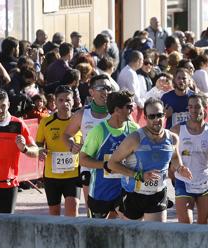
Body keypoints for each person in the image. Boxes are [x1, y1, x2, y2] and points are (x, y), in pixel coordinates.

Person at [108, 98, 192, 222]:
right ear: (146, 118)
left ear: (164, 115)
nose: (156, 120)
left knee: (156, 236)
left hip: (157, 194)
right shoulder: (135, 138)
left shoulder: (172, 138)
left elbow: (174, 156)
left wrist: (180, 167)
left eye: (159, 115)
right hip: (133, 195)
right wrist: (138, 175)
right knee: (132, 238)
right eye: (152, 116)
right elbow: (112, 164)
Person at [79, 90, 140, 218]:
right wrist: (106, 164)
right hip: (101, 192)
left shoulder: (134, 129)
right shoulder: (99, 131)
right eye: (129, 107)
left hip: (124, 190)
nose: (132, 110)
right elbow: (83, 160)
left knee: (126, 228)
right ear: (117, 110)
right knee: (98, 234)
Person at [171, 94, 208, 224]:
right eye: (190, 107)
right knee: (185, 224)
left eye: (197, 107)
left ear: (204, 108)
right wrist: (179, 167)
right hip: (183, 181)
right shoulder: (177, 130)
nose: (194, 110)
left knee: (203, 225)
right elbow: (171, 156)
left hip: (205, 182)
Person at [62, 74, 113, 211]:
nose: (106, 91)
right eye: (101, 88)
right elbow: (66, 135)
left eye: (108, 88)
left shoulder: (118, 113)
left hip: (113, 168)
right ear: (91, 92)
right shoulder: (82, 114)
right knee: (94, 211)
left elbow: (134, 135)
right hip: (89, 167)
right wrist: (72, 145)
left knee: (115, 212)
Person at [36, 85, 82, 216]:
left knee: (73, 210)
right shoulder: (46, 122)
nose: (65, 104)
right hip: (52, 175)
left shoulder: (79, 121)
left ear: (73, 101)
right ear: (55, 102)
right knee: (54, 214)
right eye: (61, 100)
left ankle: (72, 236)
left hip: (73, 174)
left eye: (68, 100)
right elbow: (38, 143)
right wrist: (40, 150)